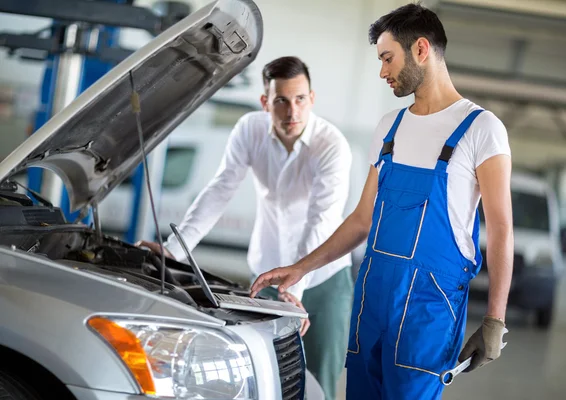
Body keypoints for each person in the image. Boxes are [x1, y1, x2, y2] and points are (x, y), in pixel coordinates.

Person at [250, 4, 514, 400]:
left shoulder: (481, 129)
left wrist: (494, 319)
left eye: (387, 58)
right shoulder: (389, 126)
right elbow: (361, 220)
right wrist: (299, 269)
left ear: (421, 50)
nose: (382, 71)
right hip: (371, 301)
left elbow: (500, 228)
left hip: (429, 307)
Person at [138, 56, 354, 400]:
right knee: (266, 375)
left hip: (324, 279)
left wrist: (294, 292)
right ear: (265, 102)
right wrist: (175, 250)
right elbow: (220, 189)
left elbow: (321, 219)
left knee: (319, 382)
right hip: (266, 275)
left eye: (300, 100)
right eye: (281, 101)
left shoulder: (332, 146)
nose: (292, 112)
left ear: (312, 99)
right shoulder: (249, 130)